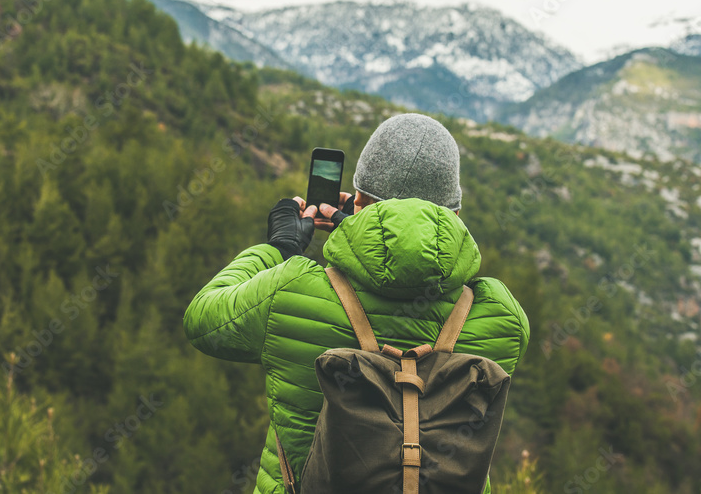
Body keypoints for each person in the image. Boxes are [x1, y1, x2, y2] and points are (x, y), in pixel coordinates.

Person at [183, 113, 530, 493]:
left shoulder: (289, 292)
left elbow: (202, 319)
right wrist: (375, 228)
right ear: (456, 214)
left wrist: (279, 247)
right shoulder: (502, 315)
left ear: (359, 200)